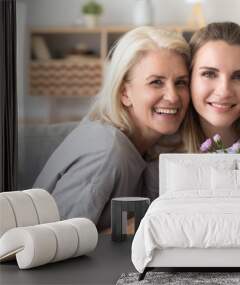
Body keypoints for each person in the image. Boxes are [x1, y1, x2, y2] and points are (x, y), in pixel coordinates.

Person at [34, 27, 191, 230]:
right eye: (156, 82)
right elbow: (58, 241)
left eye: (181, 82)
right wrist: (143, 228)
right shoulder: (107, 152)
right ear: (124, 93)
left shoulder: (144, 149)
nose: (173, 96)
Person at [182, 22, 240, 152]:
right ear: (189, 77)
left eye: (239, 77)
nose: (224, 92)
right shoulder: (160, 151)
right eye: (209, 74)